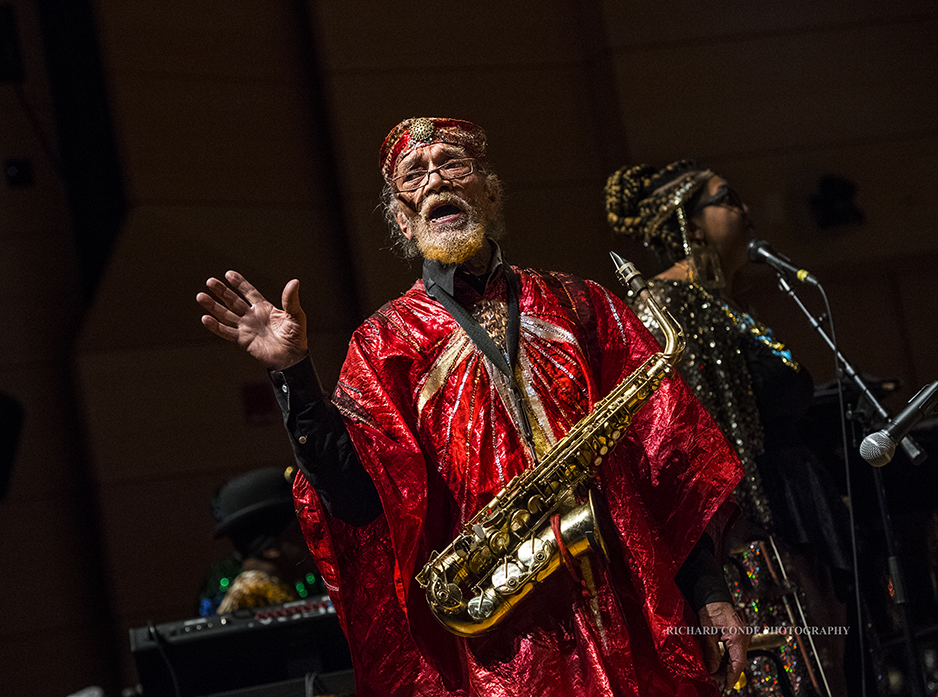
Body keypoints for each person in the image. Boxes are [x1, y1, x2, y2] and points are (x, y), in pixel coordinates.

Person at [198, 118, 748, 696]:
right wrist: (292, 372)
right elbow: (355, 502)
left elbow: (669, 467)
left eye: (453, 164)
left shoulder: (586, 306)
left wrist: (709, 597)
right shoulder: (384, 343)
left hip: (629, 614)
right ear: (404, 219)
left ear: (488, 189)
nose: (436, 180)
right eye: (415, 173)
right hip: (503, 647)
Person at [604, 161, 854, 695]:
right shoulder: (664, 304)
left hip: (790, 516)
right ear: (689, 223)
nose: (745, 211)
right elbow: (682, 446)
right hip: (748, 539)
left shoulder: (726, 305)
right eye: (727, 198)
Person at [198, 466, 321, 616]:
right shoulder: (253, 600)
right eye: (301, 530)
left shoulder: (282, 587)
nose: (315, 537)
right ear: (271, 549)